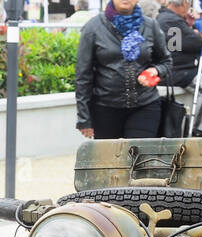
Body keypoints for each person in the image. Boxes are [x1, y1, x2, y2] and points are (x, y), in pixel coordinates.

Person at [74, 0, 173, 141]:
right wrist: (84, 118)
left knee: (138, 158)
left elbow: (166, 62)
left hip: (145, 104)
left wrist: (155, 71)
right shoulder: (93, 27)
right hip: (105, 109)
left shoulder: (150, 26)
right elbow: (83, 75)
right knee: (110, 160)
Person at [157, 0, 202, 136]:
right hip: (177, 70)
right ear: (180, 4)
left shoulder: (168, 18)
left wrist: (190, 26)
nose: (189, 9)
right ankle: (197, 129)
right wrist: (197, 31)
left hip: (181, 67)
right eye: (188, 5)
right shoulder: (171, 21)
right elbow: (199, 44)